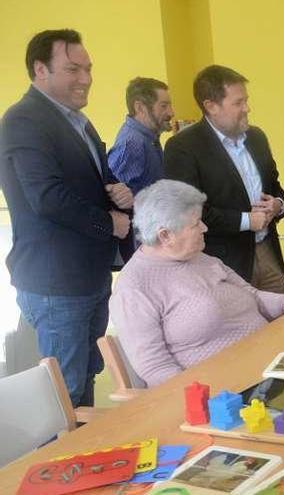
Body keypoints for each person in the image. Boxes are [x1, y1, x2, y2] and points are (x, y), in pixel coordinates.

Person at [0, 29, 133, 407]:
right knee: (64, 397)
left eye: (88, 68)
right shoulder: (23, 120)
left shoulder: (79, 122)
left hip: (89, 274)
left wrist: (116, 189)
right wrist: (110, 223)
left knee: (86, 375)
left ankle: (85, 461)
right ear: (40, 70)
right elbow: (47, 197)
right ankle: (61, 465)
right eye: (73, 69)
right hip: (56, 282)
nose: (86, 78)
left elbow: (90, 180)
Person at [109, 180, 284, 387]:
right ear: (165, 235)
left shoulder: (199, 257)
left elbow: (252, 295)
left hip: (268, 365)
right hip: (224, 393)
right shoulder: (133, 288)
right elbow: (155, 368)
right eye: (195, 224)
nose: (204, 228)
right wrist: (210, 400)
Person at [165, 65, 284, 294]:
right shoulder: (182, 148)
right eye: (238, 103)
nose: (247, 108)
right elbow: (189, 212)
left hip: (268, 253)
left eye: (246, 100)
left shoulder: (257, 138)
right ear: (211, 106)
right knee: (241, 329)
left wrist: (278, 206)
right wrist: (246, 221)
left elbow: (276, 187)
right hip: (224, 264)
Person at [108, 77, 175, 195]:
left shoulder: (150, 138)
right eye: (164, 106)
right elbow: (114, 198)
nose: (171, 113)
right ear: (139, 108)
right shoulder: (132, 144)